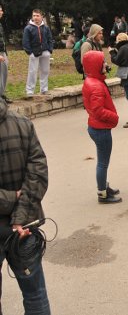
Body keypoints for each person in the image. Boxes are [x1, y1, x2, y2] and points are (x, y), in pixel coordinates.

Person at [0, 97, 51, 314]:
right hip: (23, 226)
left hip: (22, 226)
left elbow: (38, 172)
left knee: (35, 294)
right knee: (35, 294)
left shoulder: (21, 123)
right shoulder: (22, 123)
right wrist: (19, 213)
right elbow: (38, 174)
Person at [82, 50, 122, 204]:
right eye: (102, 62)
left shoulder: (91, 80)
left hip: (95, 127)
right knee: (103, 162)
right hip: (100, 129)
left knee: (102, 161)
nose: (106, 64)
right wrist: (114, 118)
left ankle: (104, 186)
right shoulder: (96, 86)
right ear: (95, 65)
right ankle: (103, 194)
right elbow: (98, 110)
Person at [22, 9, 54, 98]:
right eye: (34, 16)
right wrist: (29, 52)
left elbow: (50, 39)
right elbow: (25, 42)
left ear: (41, 17)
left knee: (45, 71)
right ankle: (29, 91)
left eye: (37, 15)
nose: (35, 17)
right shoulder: (28, 28)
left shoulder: (46, 28)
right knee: (32, 71)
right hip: (34, 53)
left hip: (45, 52)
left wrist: (49, 50)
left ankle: (44, 89)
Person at [109, 33, 128, 128]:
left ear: (120, 39)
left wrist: (112, 53)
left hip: (127, 76)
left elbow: (117, 60)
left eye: (117, 40)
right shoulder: (127, 47)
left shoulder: (123, 48)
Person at [0, 4, 9, 103]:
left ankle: (2, 95)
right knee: (1, 75)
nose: (2, 12)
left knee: (4, 74)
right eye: (0, 10)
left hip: (3, 52)